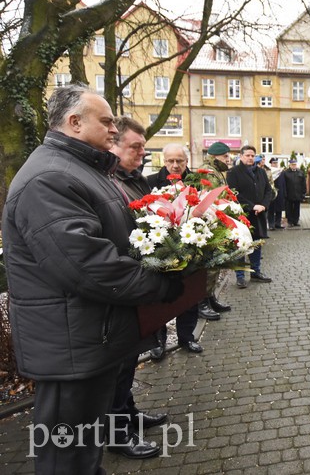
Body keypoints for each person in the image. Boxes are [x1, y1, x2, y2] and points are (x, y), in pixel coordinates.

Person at [2, 85, 182, 474]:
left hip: (88, 337)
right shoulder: (49, 178)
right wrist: (160, 287)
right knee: (65, 458)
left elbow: (118, 238)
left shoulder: (81, 170)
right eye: (105, 121)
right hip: (71, 345)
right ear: (74, 122)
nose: (114, 129)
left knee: (83, 453)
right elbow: (88, 265)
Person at [107, 116, 167, 459]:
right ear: (114, 145)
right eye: (136, 147)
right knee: (116, 367)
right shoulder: (108, 181)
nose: (143, 154)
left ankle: (129, 415)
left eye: (144, 147)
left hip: (136, 284)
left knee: (128, 361)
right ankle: (117, 434)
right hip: (121, 285)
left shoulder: (135, 180)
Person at [146, 143, 203, 359]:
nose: (175, 165)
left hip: (191, 246)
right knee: (160, 297)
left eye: (179, 161)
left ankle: (186, 337)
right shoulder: (151, 181)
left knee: (190, 295)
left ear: (187, 162)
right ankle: (158, 341)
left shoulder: (195, 182)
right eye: (170, 161)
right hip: (161, 248)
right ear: (164, 160)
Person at [227, 145, 273, 288]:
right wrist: (252, 206)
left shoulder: (261, 172)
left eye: (252, 155)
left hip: (259, 214)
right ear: (241, 156)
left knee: (256, 244)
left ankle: (255, 272)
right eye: (247, 155)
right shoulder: (233, 173)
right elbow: (234, 193)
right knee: (241, 245)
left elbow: (268, 190)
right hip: (243, 215)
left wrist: (264, 206)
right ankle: (240, 276)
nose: (250, 158)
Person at [198, 141, 234, 319]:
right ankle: (202, 302)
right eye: (225, 156)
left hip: (217, 220)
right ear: (215, 156)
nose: (228, 159)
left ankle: (210, 297)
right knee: (210, 264)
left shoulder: (217, 170)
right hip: (210, 221)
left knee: (216, 263)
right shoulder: (209, 171)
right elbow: (214, 197)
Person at [283, 158, 306, 227]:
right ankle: (290, 221)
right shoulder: (286, 173)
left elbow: (303, 183)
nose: (294, 166)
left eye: (295, 164)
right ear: (289, 165)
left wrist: (303, 193)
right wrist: (285, 193)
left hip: (298, 194)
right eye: (292, 164)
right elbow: (284, 184)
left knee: (296, 208)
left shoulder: (300, 172)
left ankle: (296, 221)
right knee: (289, 208)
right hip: (289, 194)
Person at [268, 157, 286, 230]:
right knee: (271, 209)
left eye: (276, 163)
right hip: (271, 193)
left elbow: (283, 182)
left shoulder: (280, 171)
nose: (275, 164)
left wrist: (284, 192)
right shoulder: (269, 171)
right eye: (274, 163)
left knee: (279, 209)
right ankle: (271, 224)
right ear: (271, 164)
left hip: (280, 192)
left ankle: (278, 223)